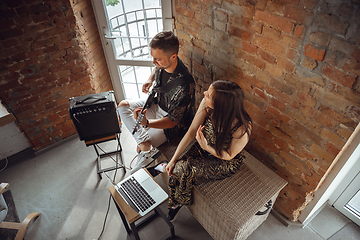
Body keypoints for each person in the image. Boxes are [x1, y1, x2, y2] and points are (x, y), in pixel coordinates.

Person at [153, 80, 252, 221]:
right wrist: (174, 158)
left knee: (182, 170)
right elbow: (192, 131)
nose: (204, 94)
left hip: (223, 160)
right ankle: (169, 177)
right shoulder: (206, 105)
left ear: (221, 105)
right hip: (205, 146)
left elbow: (229, 155)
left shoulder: (243, 128)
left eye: (209, 95)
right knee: (177, 164)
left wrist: (206, 146)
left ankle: (176, 202)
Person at [118, 31, 196, 173]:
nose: (154, 62)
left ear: (173, 56)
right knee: (123, 106)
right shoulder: (165, 63)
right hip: (156, 103)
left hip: (169, 122)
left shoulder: (185, 85)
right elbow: (157, 68)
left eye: (157, 59)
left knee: (138, 148)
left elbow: (173, 121)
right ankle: (145, 144)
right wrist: (150, 79)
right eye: (153, 57)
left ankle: (142, 157)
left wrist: (146, 124)